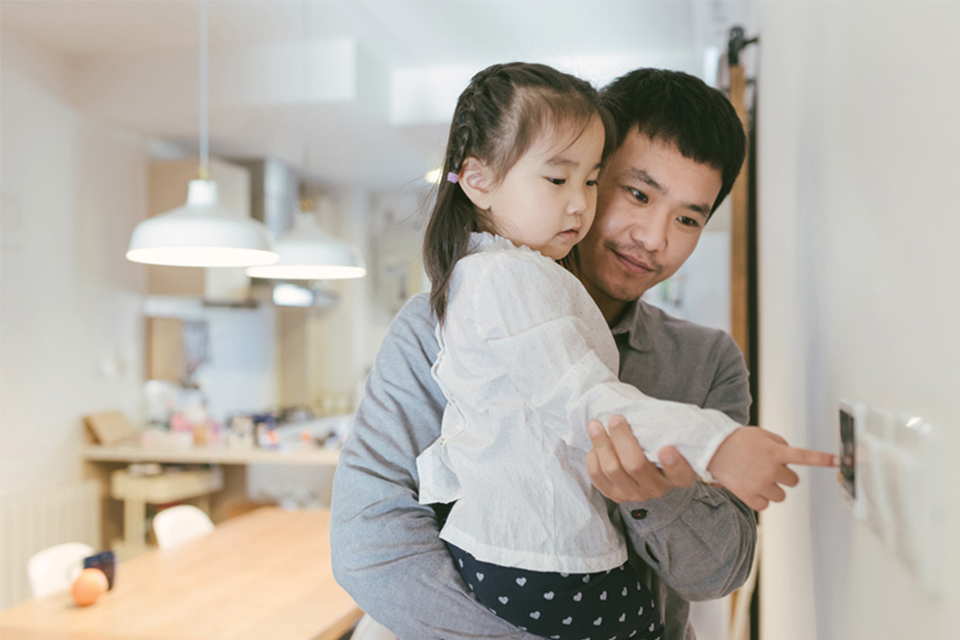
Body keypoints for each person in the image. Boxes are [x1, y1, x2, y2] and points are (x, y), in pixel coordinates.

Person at [331, 67, 834, 640]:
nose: (654, 238)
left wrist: (658, 498)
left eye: (689, 218)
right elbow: (369, 542)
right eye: (637, 193)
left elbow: (719, 573)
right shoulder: (436, 326)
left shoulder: (705, 360)